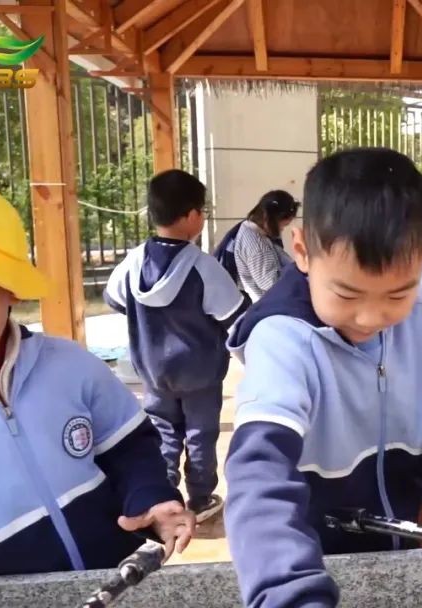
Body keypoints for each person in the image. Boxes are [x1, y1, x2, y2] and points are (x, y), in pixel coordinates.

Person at [223, 148, 422, 608]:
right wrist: (288, 593)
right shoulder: (282, 340)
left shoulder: (420, 314)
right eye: (347, 293)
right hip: (310, 558)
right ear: (302, 251)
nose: (372, 317)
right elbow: (260, 476)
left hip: (398, 544)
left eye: (398, 293)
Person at [0, 173, 194, 580]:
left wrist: (152, 497)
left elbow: (129, 448)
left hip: (110, 583)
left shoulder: (69, 367)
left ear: (11, 291)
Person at [105, 169, 246, 523]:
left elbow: (113, 299)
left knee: (162, 431)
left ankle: (165, 498)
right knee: (200, 434)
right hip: (199, 374)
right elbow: (233, 314)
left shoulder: (134, 261)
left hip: (152, 370)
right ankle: (200, 499)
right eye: (202, 211)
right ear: (189, 216)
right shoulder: (204, 267)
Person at [233, 189, 300, 302]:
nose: (282, 229)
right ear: (270, 219)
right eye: (282, 225)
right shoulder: (257, 245)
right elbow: (271, 284)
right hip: (268, 304)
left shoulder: (250, 228)